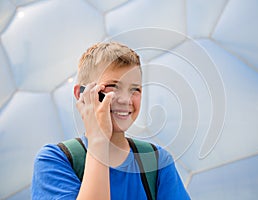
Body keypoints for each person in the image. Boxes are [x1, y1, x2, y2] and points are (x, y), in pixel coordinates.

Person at [31, 42, 190, 199]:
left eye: (134, 89)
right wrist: (99, 139)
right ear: (81, 94)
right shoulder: (54, 161)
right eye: (113, 87)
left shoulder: (157, 162)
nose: (125, 99)